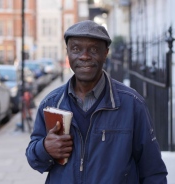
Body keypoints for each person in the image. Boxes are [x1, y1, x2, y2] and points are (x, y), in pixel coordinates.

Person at [26, 20, 167, 183]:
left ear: (105, 53)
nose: (84, 56)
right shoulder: (51, 103)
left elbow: (153, 172)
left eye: (93, 49)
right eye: (76, 49)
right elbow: (34, 160)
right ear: (68, 53)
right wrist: (44, 149)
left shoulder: (132, 104)